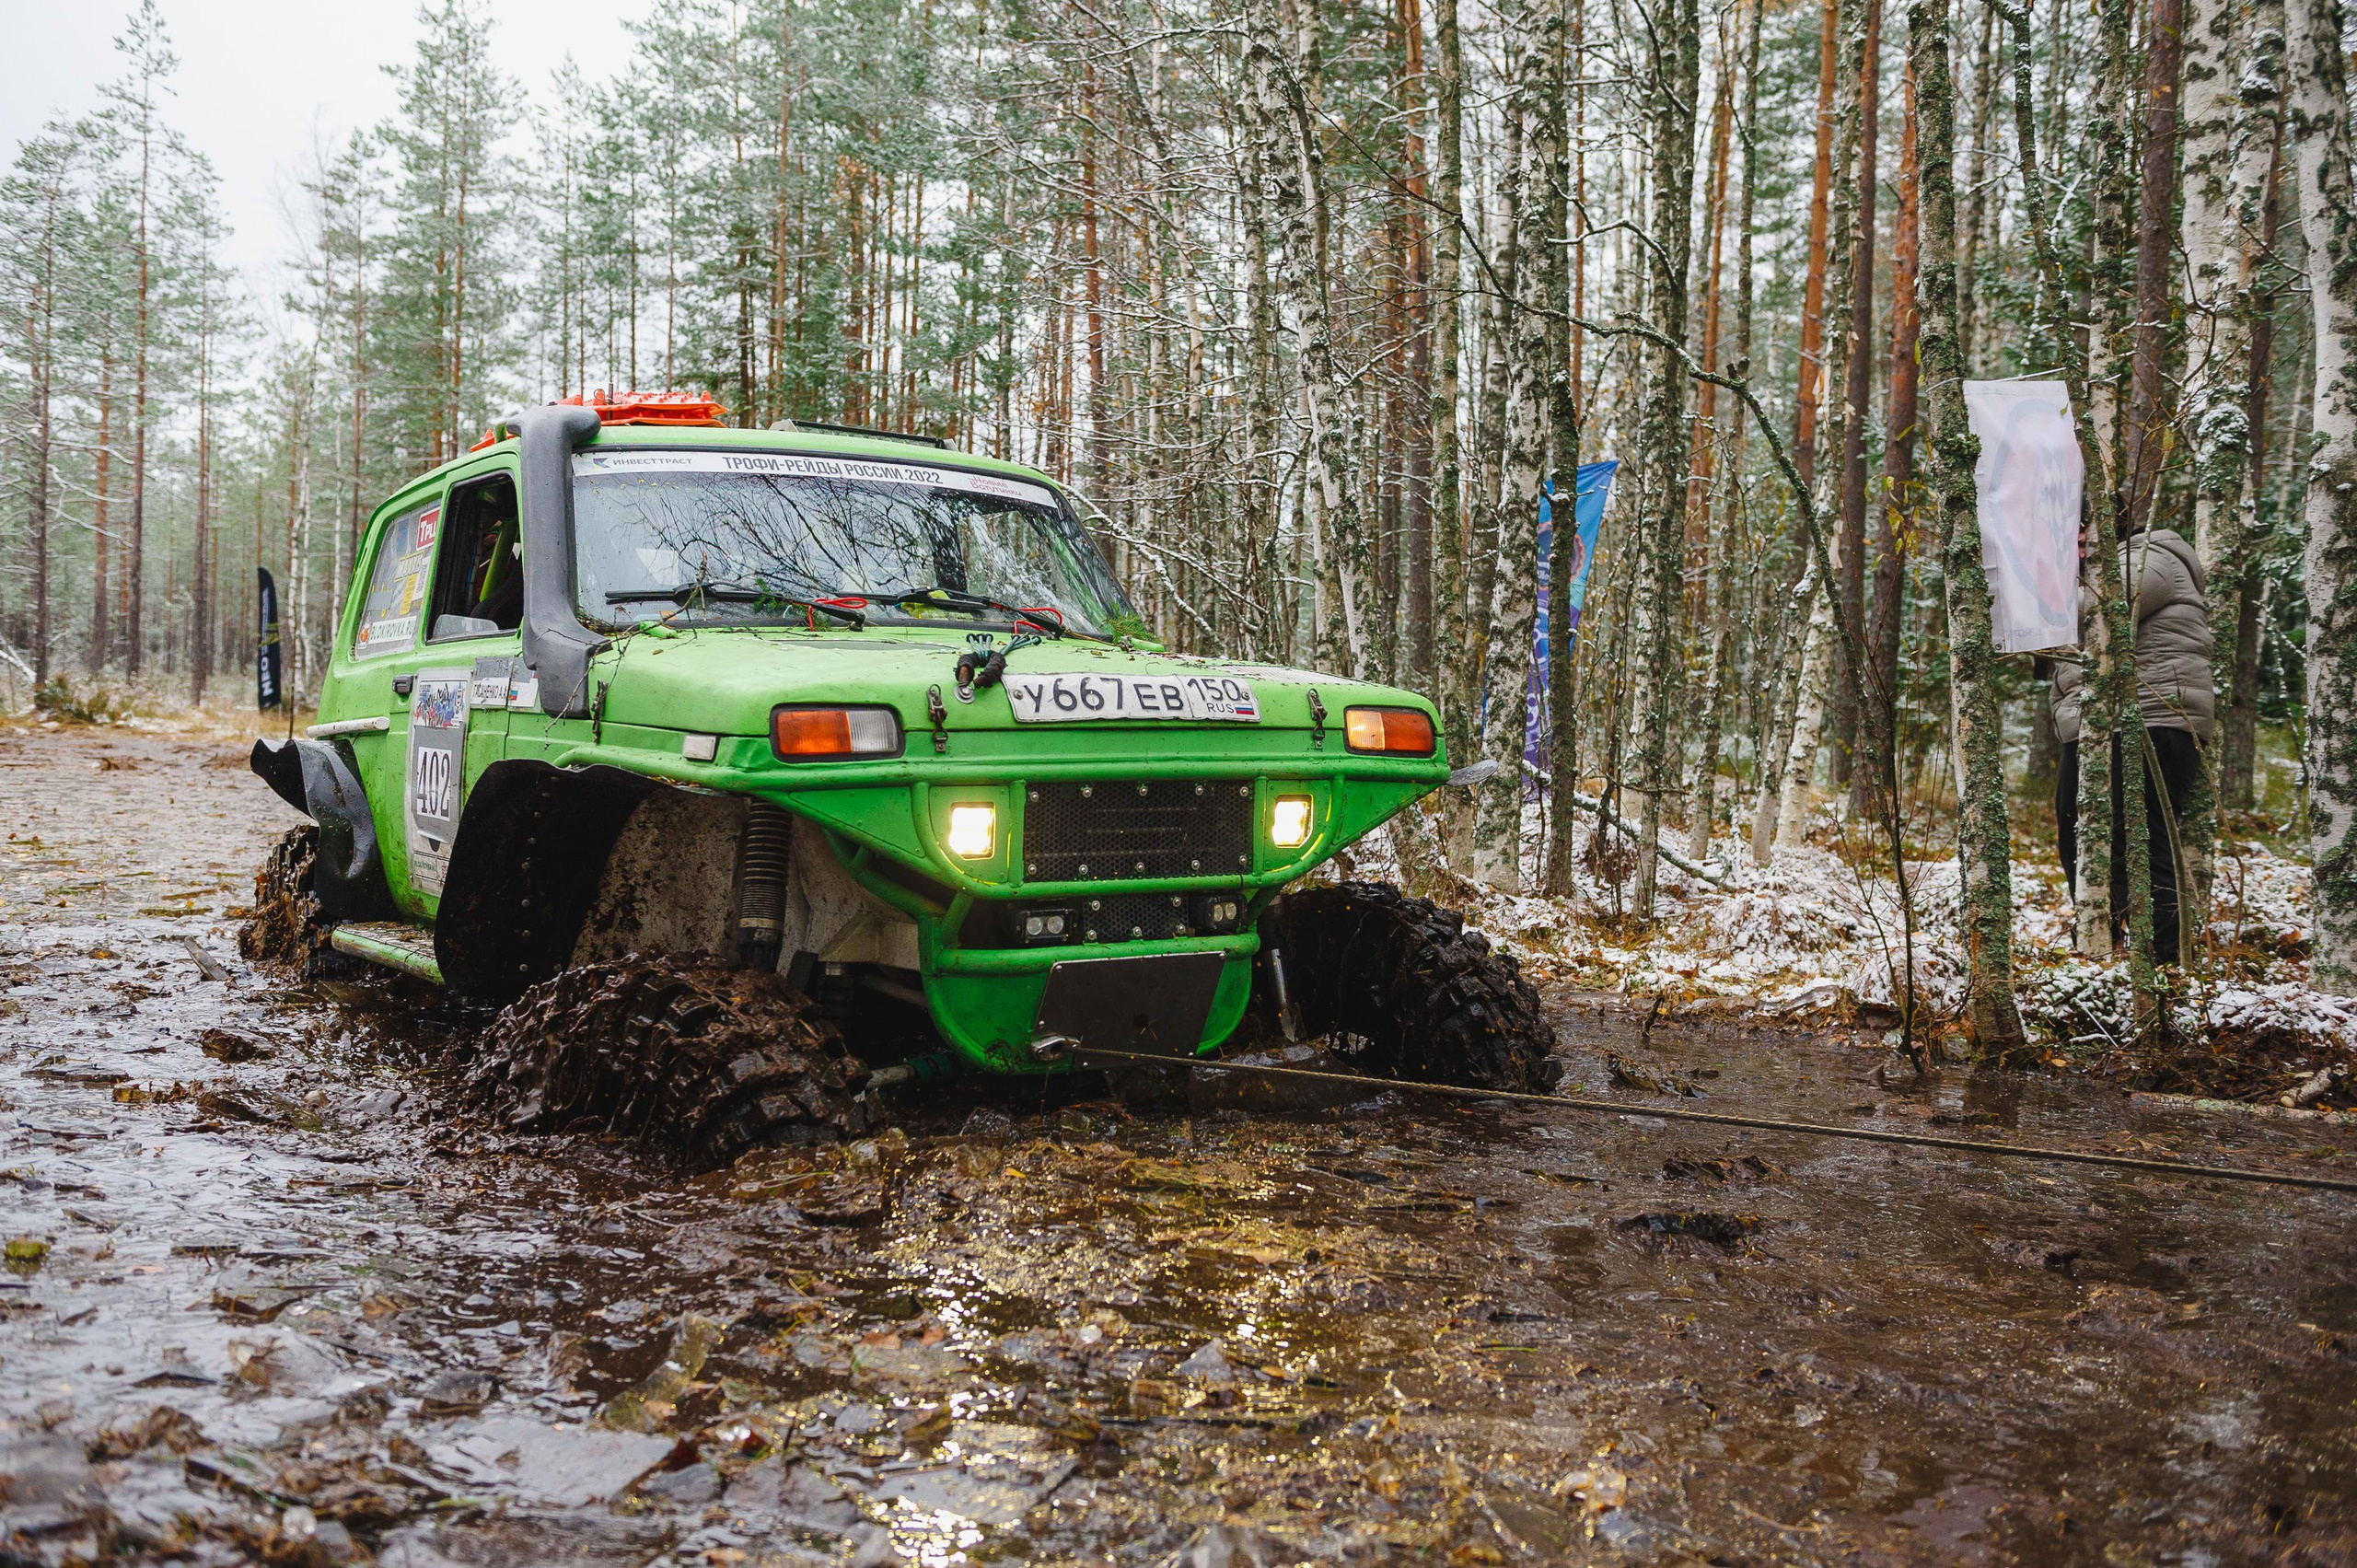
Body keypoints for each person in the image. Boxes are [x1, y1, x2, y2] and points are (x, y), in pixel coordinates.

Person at [2051, 517, 2214, 964]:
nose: (2077, 547)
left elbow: (2099, 609)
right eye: (2071, 539)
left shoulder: (2151, 557)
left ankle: (2164, 965)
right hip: (2102, 722)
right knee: (2077, 833)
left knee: (2142, 838)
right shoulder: (2095, 573)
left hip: (2152, 719)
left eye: (2083, 535)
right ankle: (2106, 949)